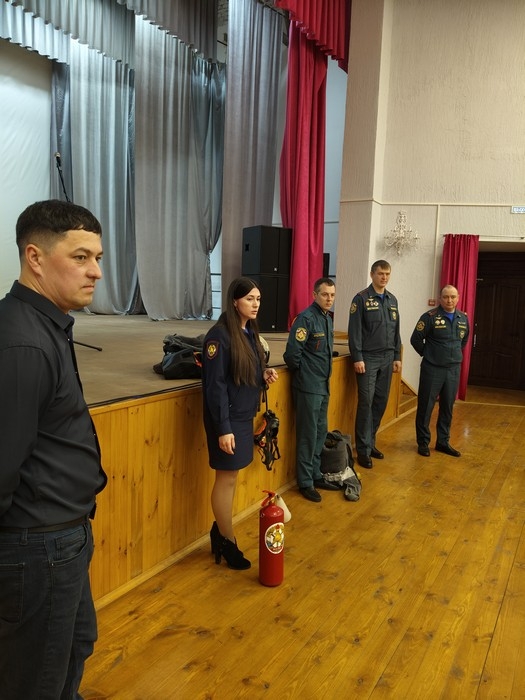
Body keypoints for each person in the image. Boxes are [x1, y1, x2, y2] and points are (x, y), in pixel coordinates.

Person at [0, 199, 108, 699]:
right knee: (36, 681)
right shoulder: (23, 342)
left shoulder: (45, 324)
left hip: (62, 538)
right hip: (37, 546)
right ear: (35, 258)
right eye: (81, 257)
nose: (96, 272)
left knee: (73, 648)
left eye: (98, 258)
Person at [202, 277, 278, 570]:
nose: (255, 304)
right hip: (227, 420)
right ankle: (227, 540)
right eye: (249, 299)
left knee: (232, 477)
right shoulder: (219, 336)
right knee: (226, 478)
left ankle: (219, 531)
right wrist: (223, 429)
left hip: (244, 416)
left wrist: (263, 375)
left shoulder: (249, 332)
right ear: (235, 301)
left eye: (258, 299)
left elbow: (243, 371)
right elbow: (215, 386)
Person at [283, 278, 340, 503]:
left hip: (323, 385)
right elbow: (292, 355)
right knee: (308, 436)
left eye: (332, 295)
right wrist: (304, 375)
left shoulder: (326, 318)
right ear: (315, 295)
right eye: (325, 294)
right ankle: (305, 481)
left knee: (319, 433)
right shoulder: (306, 319)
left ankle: (316, 474)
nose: (329, 299)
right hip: (308, 386)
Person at [348, 260, 401, 468]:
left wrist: (397, 356)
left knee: (380, 402)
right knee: (366, 403)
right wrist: (357, 357)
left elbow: (396, 330)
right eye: (380, 273)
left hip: (388, 358)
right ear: (372, 274)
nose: (384, 277)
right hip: (368, 359)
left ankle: (370, 443)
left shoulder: (392, 299)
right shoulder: (361, 298)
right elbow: (354, 331)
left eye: (387, 274)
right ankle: (362, 450)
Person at [410, 284, 470, 457]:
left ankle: (443, 442)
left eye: (453, 297)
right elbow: (415, 339)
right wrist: (429, 354)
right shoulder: (429, 317)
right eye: (446, 297)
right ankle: (423, 442)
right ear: (440, 299)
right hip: (432, 369)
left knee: (447, 407)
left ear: (458, 298)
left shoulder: (462, 318)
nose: (449, 300)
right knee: (426, 406)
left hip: (453, 370)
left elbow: (463, 341)